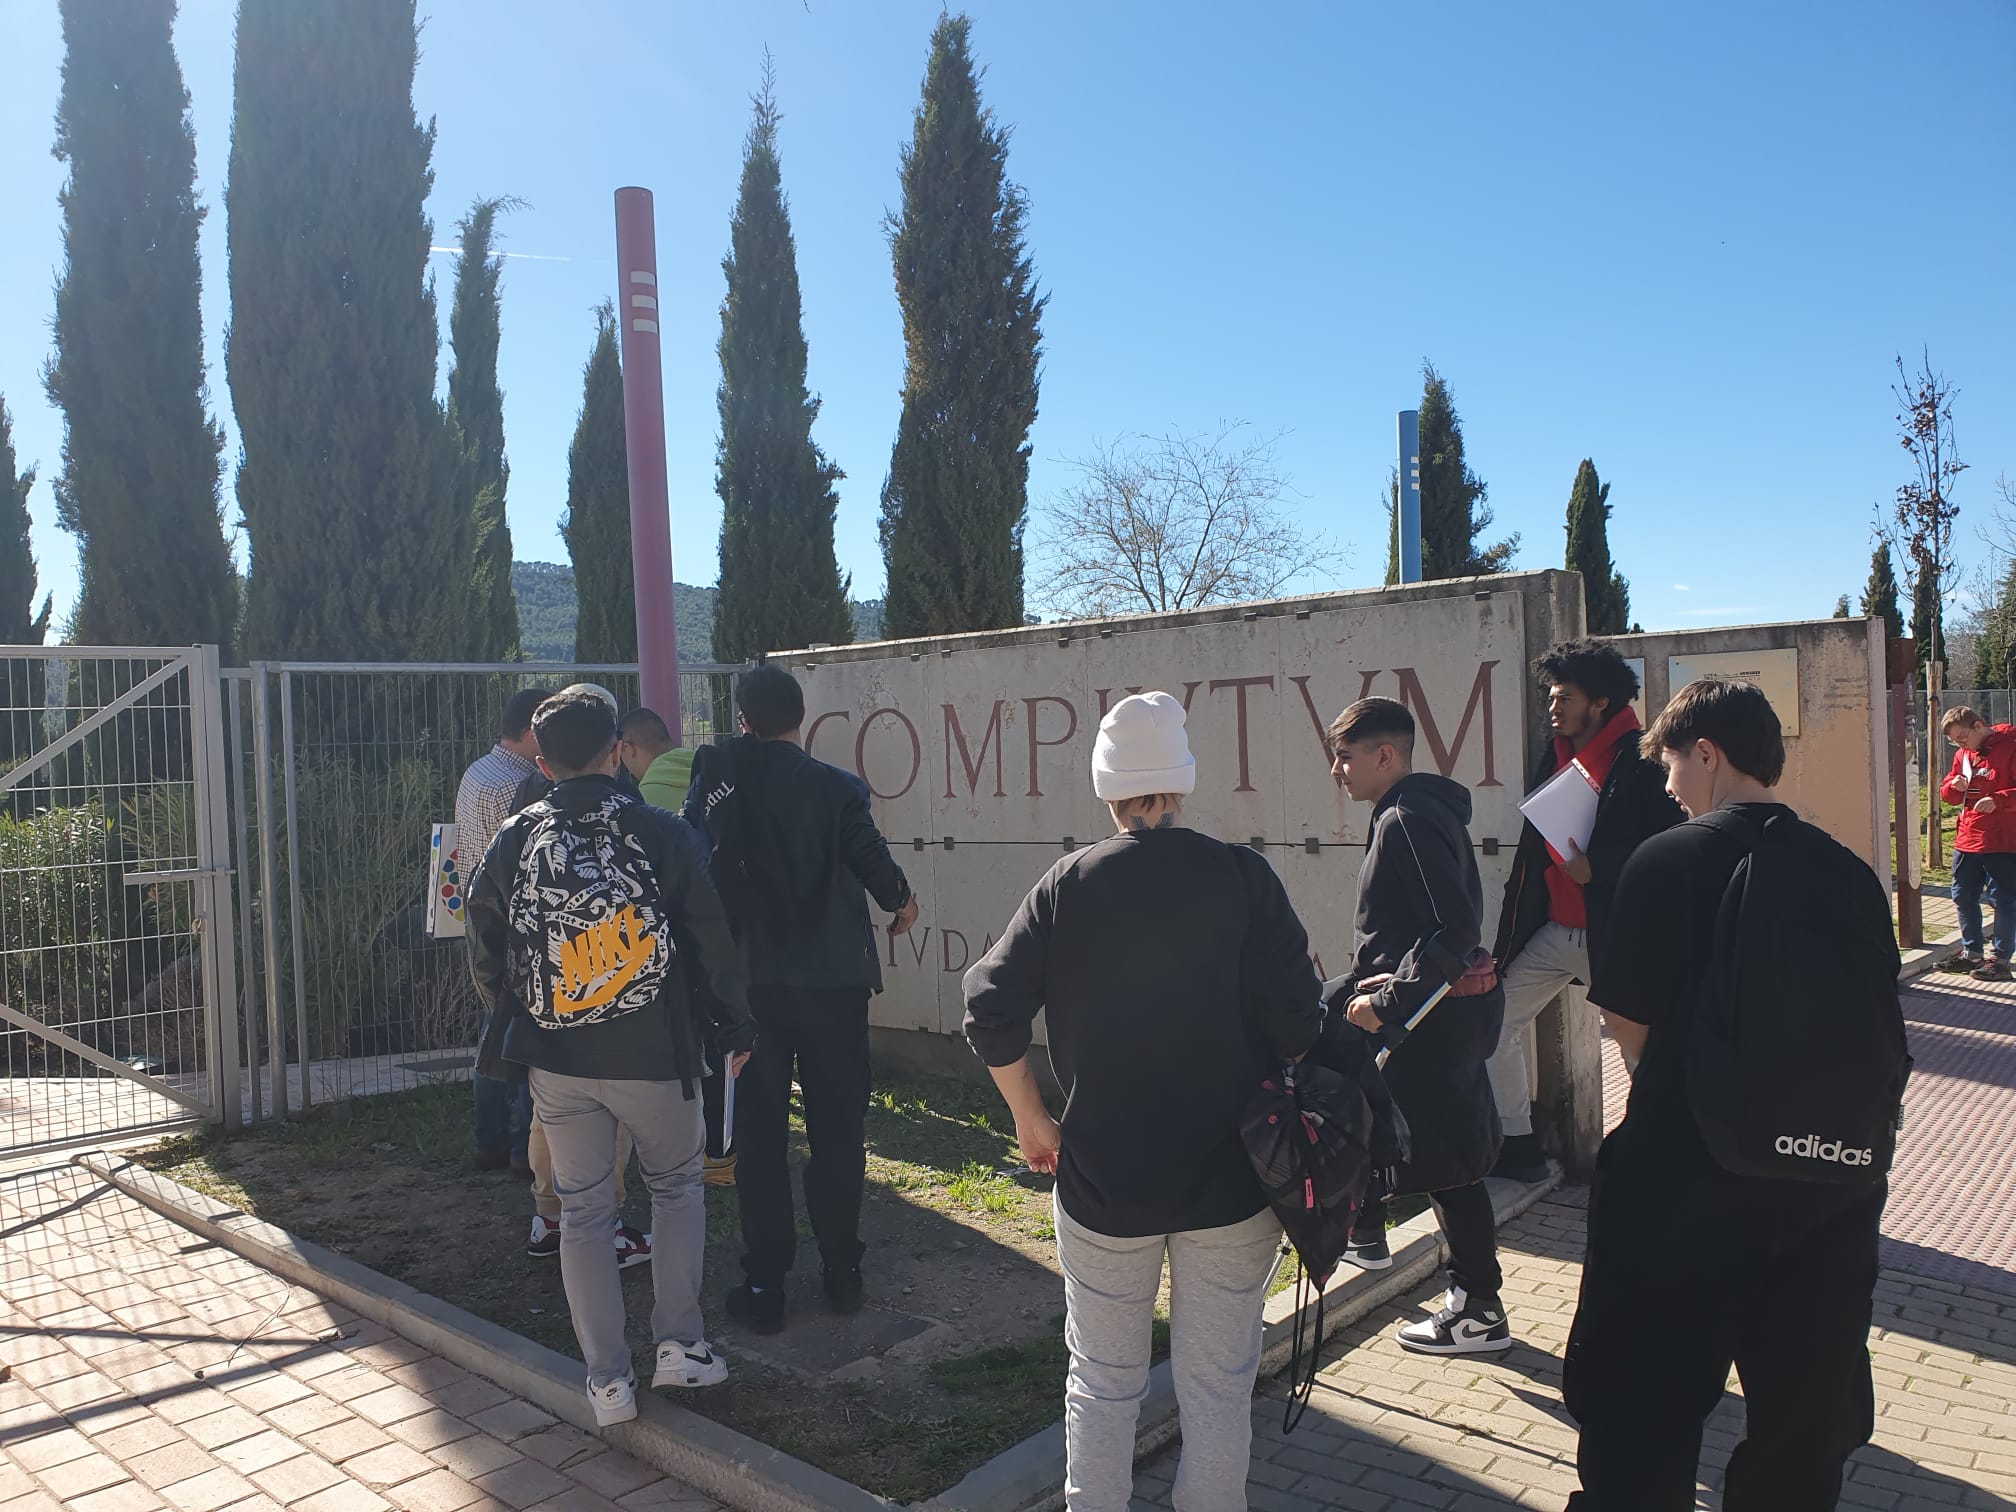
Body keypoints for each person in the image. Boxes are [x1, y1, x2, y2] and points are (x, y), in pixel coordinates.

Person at [962, 692, 1323, 1512]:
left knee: (1101, 1380)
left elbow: (988, 1009)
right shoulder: (1244, 876)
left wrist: (1030, 1117)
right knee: (1219, 1386)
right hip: (1235, 1178)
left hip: (1104, 1179)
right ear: (1180, 783)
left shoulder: (1069, 883)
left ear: (1108, 788)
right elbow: (1300, 1023)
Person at [1565, 678, 1898, 1509]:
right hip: (1830, 1184)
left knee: (1641, 1410)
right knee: (1805, 1418)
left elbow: (1625, 1020)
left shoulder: (1665, 859)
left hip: (1683, 1176)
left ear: (1707, 754)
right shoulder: (1848, 872)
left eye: (1672, 766)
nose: (1670, 787)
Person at [466, 689, 759, 1426]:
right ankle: (681, 1347)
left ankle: (606, 1381)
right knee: (677, 1189)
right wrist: (734, 1027)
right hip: (656, 1051)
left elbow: (483, 927)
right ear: (615, 752)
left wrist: (515, 1003)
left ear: (542, 761)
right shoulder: (661, 830)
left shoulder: (516, 835)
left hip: (556, 1057)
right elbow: (711, 936)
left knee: (585, 1212)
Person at [684, 664, 918, 1332]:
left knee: (761, 1137)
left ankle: (766, 1284)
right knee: (838, 1131)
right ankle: (843, 1272)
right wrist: (901, 903)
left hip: (751, 988)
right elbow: (870, 856)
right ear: (801, 718)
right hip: (834, 985)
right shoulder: (837, 787)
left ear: (744, 720)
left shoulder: (718, 778)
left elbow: (692, 849)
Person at [1328, 696, 1512, 1356]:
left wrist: (1389, 1002)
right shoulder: (1407, 814)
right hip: (1424, 1011)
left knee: (1449, 1166)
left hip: (1430, 1017)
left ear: (1385, 755)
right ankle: (1365, 1233)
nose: (1336, 770)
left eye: (1345, 757)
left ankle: (1479, 1311)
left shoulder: (1406, 819)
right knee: (1370, 1106)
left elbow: (1453, 930)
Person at [1489, 641, 1682, 1179]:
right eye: (1551, 696)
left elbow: (1668, 844)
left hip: (1614, 934)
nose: (1552, 707)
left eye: (1564, 697)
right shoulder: (1553, 755)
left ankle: (1660, 1160)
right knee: (1492, 1023)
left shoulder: (1643, 760)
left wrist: (1599, 868)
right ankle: (1517, 1145)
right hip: (1555, 931)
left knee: (1640, 1052)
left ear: (1599, 702)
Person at [517, 684, 651, 1262]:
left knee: (549, 1115)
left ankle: (549, 1216)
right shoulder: (626, 804)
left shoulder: (527, 802)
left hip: (544, 991)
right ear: (614, 746)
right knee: (607, 1120)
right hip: (613, 983)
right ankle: (605, 1225)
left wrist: (510, 997)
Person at [621, 707, 734, 1188]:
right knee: (728, 1045)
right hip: (730, 933)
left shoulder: (640, 804)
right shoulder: (713, 778)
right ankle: (724, 1151)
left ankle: (691, 1149)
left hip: (671, 945)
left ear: (628, 749)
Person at [456, 686, 551, 1172]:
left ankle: (489, 1139)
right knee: (525, 1035)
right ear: (534, 729)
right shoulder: (520, 784)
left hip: (480, 920)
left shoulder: (478, 771)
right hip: (514, 920)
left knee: (492, 1030)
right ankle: (522, 1148)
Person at [1939, 706, 2016, 981]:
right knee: (1962, 895)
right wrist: (1952, 787)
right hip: (1967, 838)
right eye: (1954, 741)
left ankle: (2000, 959)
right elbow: (1947, 794)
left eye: (1962, 738)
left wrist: (1999, 799)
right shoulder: (1963, 756)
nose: (1960, 745)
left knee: (2003, 900)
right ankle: (1971, 953)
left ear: (1978, 726)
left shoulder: (2010, 747)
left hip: (2002, 840)